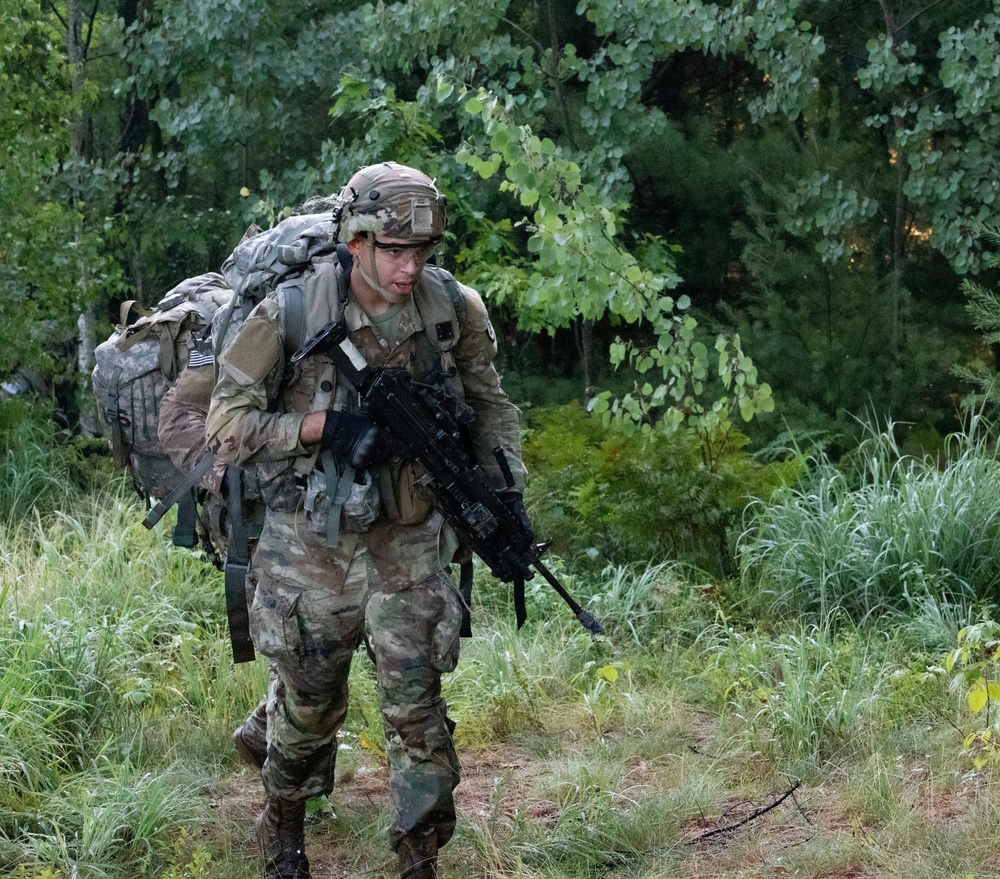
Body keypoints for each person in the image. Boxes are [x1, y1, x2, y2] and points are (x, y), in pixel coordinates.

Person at [205, 162, 530, 879]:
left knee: (418, 710)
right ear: (355, 241)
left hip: (410, 536)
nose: (409, 266)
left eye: (421, 252)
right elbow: (225, 425)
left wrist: (507, 490)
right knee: (311, 706)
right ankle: (284, 832)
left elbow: (491, 406)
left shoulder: (452, 310)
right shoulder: (290, 312)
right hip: (310, 541)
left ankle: (419, 858)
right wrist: (321, 426)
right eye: (392, 250)